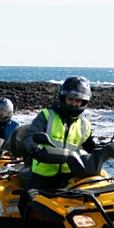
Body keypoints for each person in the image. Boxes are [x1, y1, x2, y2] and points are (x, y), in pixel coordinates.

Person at [20, 76, 97, 213]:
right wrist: (34, 149)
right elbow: (30, 136)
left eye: (78, 101)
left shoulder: (85, 124)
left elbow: (90, 145)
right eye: (71, 99)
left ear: (83, 102)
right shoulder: (46, 116)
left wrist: (104, 150)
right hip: (43, 178)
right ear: (63, 98)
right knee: (27, 201)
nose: (74, 104)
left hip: (71, 177)